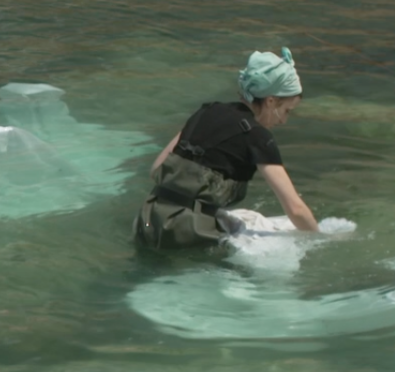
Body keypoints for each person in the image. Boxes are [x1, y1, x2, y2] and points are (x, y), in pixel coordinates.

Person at [134, 47, 320, 249]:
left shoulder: (206, 111)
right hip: (185, 233)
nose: (284, 120)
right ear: (271, 101)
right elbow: (296, 209)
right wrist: (321, 241)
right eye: (286, 111)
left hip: (147, 221)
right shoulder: (258, 136)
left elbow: (156, 171)